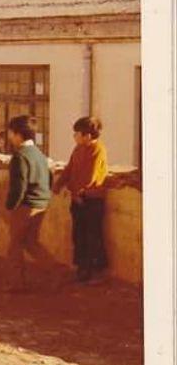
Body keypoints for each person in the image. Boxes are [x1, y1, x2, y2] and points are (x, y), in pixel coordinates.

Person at [3, 115, 59, 293]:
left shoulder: (20, 156)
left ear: (18, 135)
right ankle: (56, 271)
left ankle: (16, 284)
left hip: (25, 205)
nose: (10, 137)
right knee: (31, 242)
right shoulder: (40, 155)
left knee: (15, 246)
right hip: (41, 202)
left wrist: (11, 206)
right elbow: (49, 178)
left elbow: (18, 186)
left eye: (11, 133)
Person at [54, 116, 109, 284]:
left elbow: (90, 177)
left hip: (91, 200)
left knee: (92, 235)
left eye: (77, 133)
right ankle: (81, 268)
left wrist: (76, 191)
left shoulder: (97, 149)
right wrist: (58, 184)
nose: (75, 137)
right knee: (78, 235)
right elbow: (69, 168)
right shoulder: (78, 148)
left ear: (88, 135)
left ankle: (94, 271)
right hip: (78, 199)